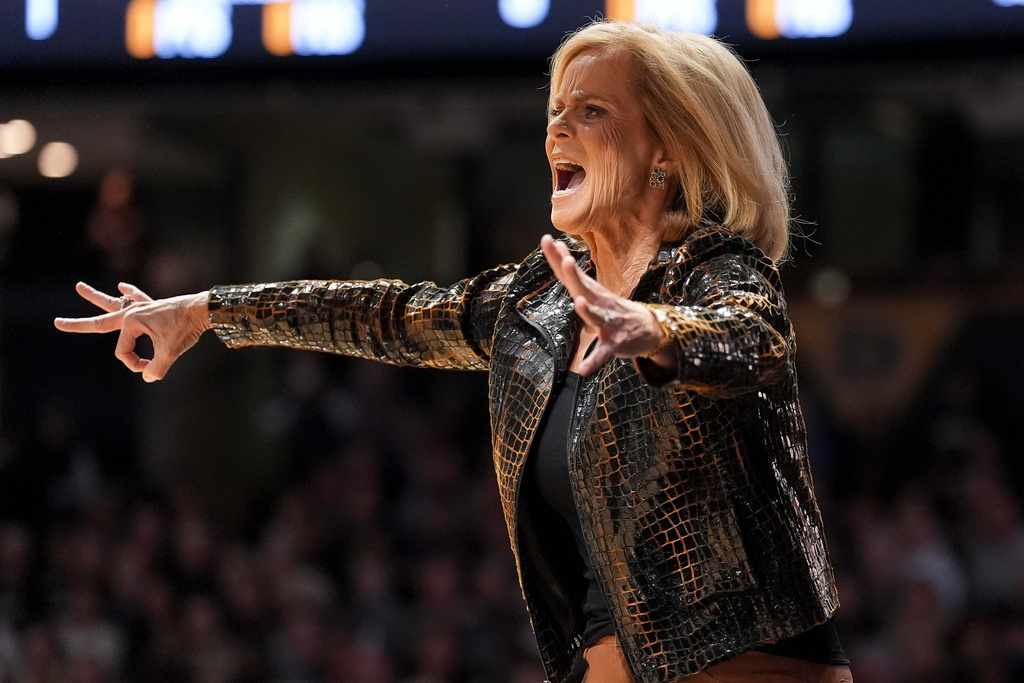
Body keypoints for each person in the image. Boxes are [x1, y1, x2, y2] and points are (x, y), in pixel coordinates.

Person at [55, 20, 853, 683]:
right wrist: (205, 311)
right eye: (556, 109)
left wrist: (656, 332)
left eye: (592, 111)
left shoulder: (717, 269)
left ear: (666, 151)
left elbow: (752, 339)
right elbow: (389, 314)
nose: (557, 128)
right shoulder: (535, 301)